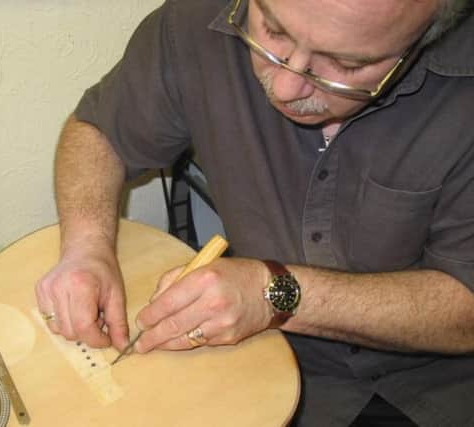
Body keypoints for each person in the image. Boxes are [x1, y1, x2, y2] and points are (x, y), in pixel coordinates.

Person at [35, 0, 474, 425]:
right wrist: (86, 247)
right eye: (273, 31)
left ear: (425, 37)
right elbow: (100, 132)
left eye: (346, 65)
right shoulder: (197, 20)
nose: (284, 87)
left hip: (428, 386)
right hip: (257, 357)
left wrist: (274, 293)